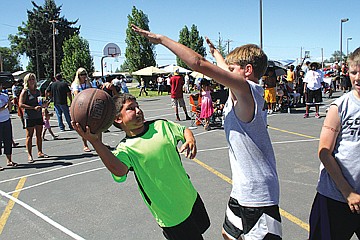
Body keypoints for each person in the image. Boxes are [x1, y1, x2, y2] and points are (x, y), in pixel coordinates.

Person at [132, 24, 282, 240]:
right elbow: (224, 68)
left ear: (248, 70)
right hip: (241, 190)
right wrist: (217, 54)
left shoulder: (248, 93)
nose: (224, 72)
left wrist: (162, 39)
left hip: (259, 194)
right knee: (228, 234)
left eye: (231, 70)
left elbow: (198, 64)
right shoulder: (240, 91)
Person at [71, 93, 210, 240]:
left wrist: (190, 139)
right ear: (118, 118)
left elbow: (183, 130)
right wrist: (96, 142)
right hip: (170, 212)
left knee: (202, 228)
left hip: (189, 196)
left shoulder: (160, 125)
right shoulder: (125, 148)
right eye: (131, 108)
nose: (138, 111)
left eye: (137, 106)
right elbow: (119, 171)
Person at [308, 47, 360, 240]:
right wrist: (347, 192)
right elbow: (324, 152)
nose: (358, 78)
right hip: (336, 197)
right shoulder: (340, 107)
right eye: (354, 72)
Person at [19, 73, 49, 163]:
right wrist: (32, 108)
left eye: (33, 79)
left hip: (38, 115)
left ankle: (40, 152)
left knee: (39, 135)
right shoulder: (25, 91)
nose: (32, 81)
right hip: (29, 116)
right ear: (26, 81)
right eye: (30, 79)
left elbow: (40, 102)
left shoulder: (37, 91)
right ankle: (30, 155)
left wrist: (44, 105)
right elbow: (20, 104)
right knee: (29, 136)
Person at [71, 68, 93, 152]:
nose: (84, 76)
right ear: (78, 75)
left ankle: (99, 143)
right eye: (82, 74)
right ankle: (85, 145)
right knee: (83, 126)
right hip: (80, 107)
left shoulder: (88, 83)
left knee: (96, 124)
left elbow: (92, 91)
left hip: (89, 107)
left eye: (85, 74)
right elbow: (77, 94)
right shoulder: (75, 84)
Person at [0, 82, 18, 170]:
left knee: (8, 140)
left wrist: (10, 104)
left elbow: (10, 110)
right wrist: (4, 107)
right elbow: (3, 108)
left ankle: (9, 160)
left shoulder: (4, 95)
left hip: (6, 120)